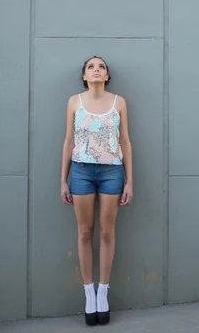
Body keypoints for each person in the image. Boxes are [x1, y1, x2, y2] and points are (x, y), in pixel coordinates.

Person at [60, 56, 133, 326]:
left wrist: (130, 181)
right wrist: (63, 180)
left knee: (106, 232)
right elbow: (68, 141)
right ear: (84, 76)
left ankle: (103, 291)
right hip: (80, 172)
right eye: (91, 67)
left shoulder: (119, 102)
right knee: (84, 232)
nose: (96, 70)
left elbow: (125, 141)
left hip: (112, 172)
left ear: (107, 76)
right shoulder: (74, 102)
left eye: (101, 67)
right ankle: (88, 293)